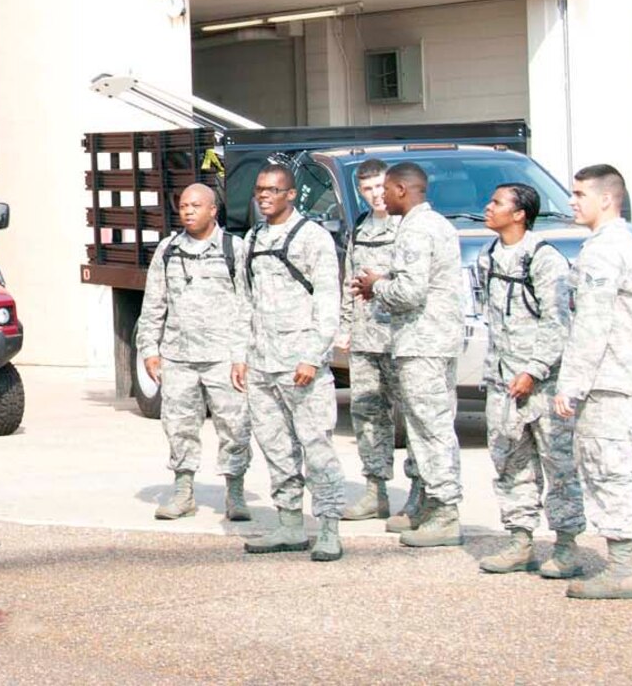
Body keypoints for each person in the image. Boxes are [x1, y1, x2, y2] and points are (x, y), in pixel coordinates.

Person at [554, 164, 632, 599]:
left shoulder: (602, 249)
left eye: (579, 194)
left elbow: (592, 325)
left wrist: (571, 384)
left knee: (608, 470)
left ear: (606, 199)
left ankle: (621, 570)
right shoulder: (629, 242)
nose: (572, 202)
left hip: (610, 378)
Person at [235, 161, 346, 560]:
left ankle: (329, 526)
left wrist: (313, 357)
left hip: (301, 365)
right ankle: (289, 523)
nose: (264, 196)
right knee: (276, 447)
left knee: (317, 447)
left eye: (273, 190)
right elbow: (244, 301)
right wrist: (240, 355)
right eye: (260, 190)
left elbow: (328, 302)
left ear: (291, 194)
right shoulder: (252, 238)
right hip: (263, 364)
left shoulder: (311, 238)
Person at [352, 161, 465, 548]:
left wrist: (377, 284)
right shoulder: (435, 225)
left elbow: (409, 292)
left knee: (430, 430)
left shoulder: (417, 229)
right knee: (426, 427)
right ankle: (432, 507)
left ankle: (445, 511)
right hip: (428, 341)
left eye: (387, 189)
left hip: (423, 344)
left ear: (402, 189)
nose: (381, 196)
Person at [476, 182, 585, 576]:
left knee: (558, 466)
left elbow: (558, 323)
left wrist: (533, 370)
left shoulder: (543, 259)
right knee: (509, 464)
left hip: (541, 385)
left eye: (497, 202)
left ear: (520, 213)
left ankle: (568, 544)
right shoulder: (487, 258)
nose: (488, 208)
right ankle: (519, 540)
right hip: (503, 381)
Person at [138, 182, 252, 522]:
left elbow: (247, 304)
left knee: (234, 426)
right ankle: (183, 491)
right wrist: (149, 348)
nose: (188, 211)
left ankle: (235, 493)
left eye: (196, 205)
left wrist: (241, 354)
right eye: (184, 205)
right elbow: (154, 303)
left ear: (213, 210)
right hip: (179, 357)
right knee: (178, 425)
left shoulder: (235, 248)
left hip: (222, 357)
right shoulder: (168, 250)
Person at [336, 159, 420, 523]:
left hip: (404, 338)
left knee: (415, 417)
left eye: (379, 187)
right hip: (367, 338)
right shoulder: (361, 228)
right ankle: (375, 491)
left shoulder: (411, 227)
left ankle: (419, 492)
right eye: (367, 189)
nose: (375, 195)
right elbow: (349, 282)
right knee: (368, 414)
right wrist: (345, 326)